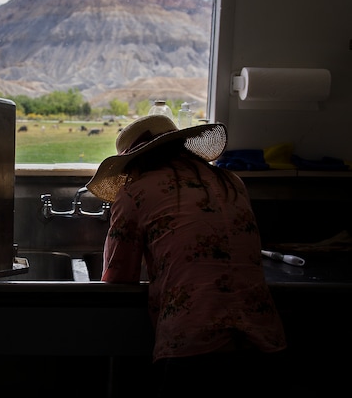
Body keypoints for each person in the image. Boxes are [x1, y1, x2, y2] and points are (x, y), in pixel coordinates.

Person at [86, 115, 288, 397]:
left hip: (194, 339)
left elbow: (120, 275)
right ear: (180, 145)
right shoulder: (231, 181)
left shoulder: (135, 193)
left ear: (134, 162)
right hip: (262, 336)